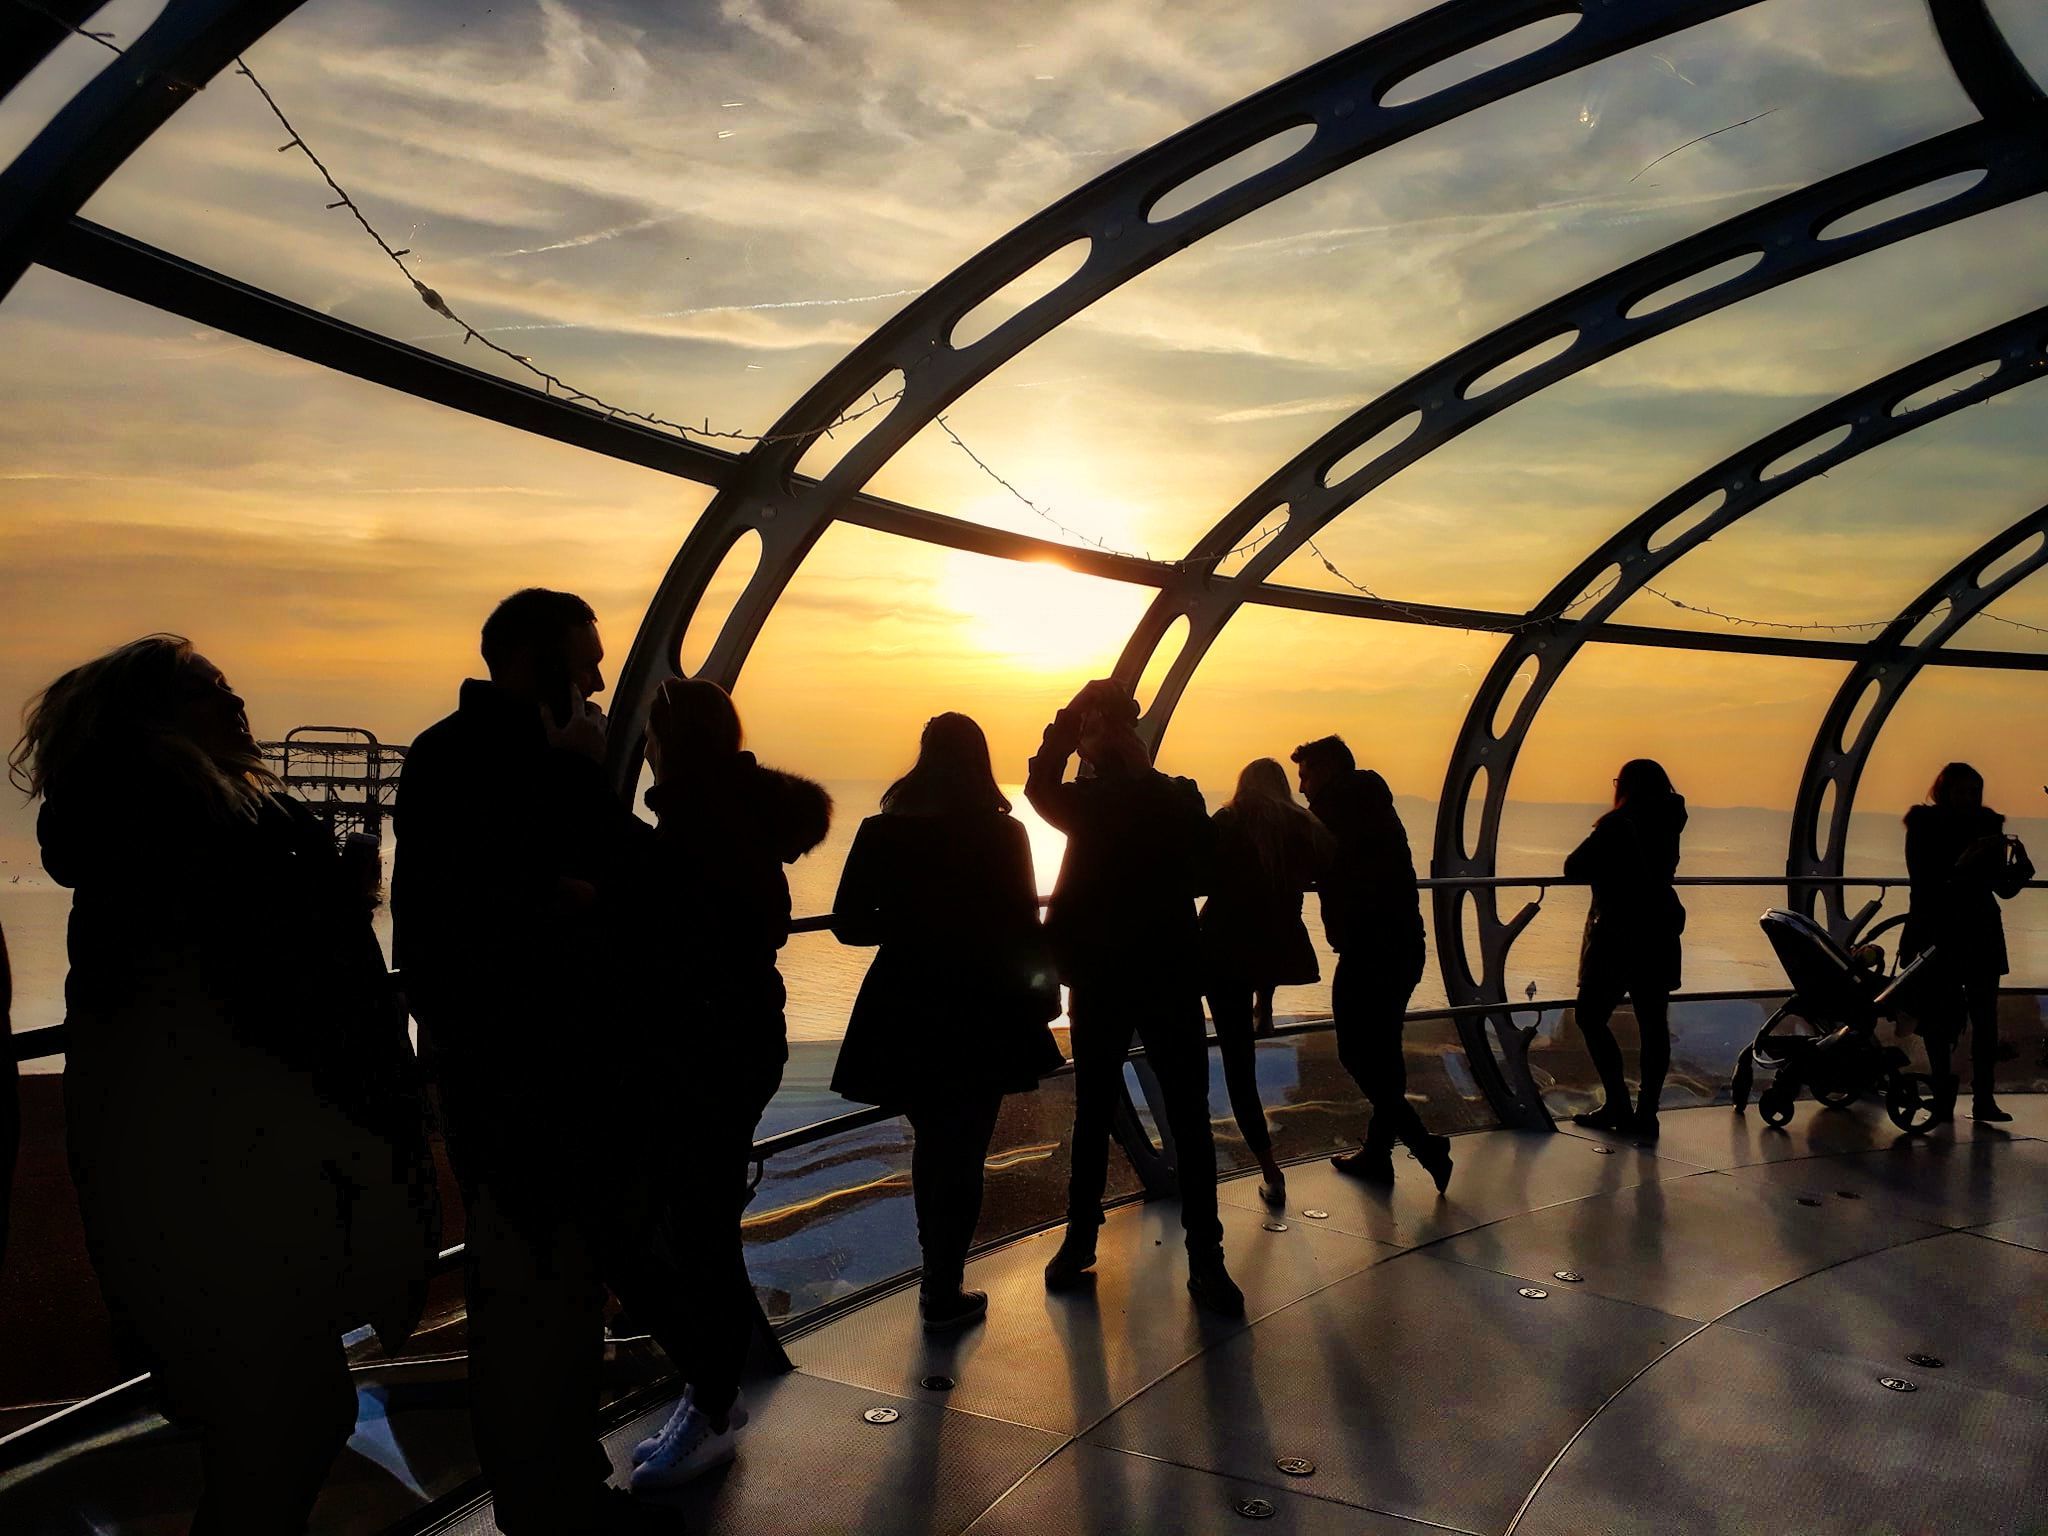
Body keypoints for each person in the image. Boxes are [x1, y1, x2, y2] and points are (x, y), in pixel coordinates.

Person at [11, 635, 438, 1535]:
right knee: (290, 1422)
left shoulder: (151, 837)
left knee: (264, 1425)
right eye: (213, 693)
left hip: (203, 1187)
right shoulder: (197, 836)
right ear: (154, 720)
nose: (238, 704)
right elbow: (268, 995)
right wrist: (336, 903)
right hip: (244, 1188)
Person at [394, 590, 685, 1535]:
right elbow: (489, 916)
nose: (601, 678)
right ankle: (547, 1499)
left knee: (551, 1295)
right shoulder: (503, 765)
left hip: (525, 1075)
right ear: (531, 660)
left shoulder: (462, 759)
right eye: (584, 658)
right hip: (528, 1080)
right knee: (534, 1298)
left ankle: (558, 1488)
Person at [625, 677, 831, 1488]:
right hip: (743, 1040)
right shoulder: (743, 823)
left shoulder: (691, 832)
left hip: (696, 1050)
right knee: (696, 1225)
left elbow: (669, 939)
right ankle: (708, 1396)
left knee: (681, 1232)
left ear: (666, 744)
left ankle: (710, 1402)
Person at [829, 713, 1063, 1331]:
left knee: (931, 1143)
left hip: (906, 1006)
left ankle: (936, 1279)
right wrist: (1042, 995)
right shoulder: (1004, 834)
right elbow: (1021, 925)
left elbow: (849, 923)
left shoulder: (881, 831)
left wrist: (908, 924)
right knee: (963, 1150)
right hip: (985, 1008)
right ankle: (942, 1284)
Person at [1027, 679, 1243, 1316]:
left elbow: (1038, 784)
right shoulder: (1177, 797)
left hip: (1099, 978)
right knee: (1189, 1118)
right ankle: (1207, 1260)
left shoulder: (1087, 806)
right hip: (1172, 973)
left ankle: (1079, 1242)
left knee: (1093, 1111)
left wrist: (1066, 722)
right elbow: (1207, 871)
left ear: (1094, 743)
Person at [1292, 736, 1452, 1191]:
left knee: (1355, 1052)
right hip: (1400, 944)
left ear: (1325, 770)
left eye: (1305, 776)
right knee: (1383, 1054)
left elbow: (1301, 859)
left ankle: (1423, 1145)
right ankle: (1379, 1154)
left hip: (1370, 950)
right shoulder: (1369, 803)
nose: (1302, 788)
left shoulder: (1337, 806)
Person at [1202, 758, 1328, 1208]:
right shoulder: (1300, 829)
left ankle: (1260, 1169)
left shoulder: (1228, 821)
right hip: (1268, 956)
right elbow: (1279, 917)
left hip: (1219, 953)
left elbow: (1201, 874)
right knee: (1244, 1063)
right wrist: (1266, 1004)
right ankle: (1269, 1171)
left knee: (1232, 1065)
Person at [1562, 758, 1688, 1141]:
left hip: (1617, 936)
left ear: (1626, 787)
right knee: (1653, 1023)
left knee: (1590, 1016)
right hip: (1658, 933)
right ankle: (1646, 1113)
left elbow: (1573, 867)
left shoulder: (1619, 824)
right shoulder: (1670, 822)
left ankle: (1618, 1101)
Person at [1903, 763, 2020, 1123]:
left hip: (1952, 930)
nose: (1971, 799)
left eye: (1974, 792)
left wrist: (2016, 869)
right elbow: (1926, 881)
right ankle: (1972, 1098)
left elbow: (2001, 886)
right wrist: (1965, 865)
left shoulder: (1931, 826)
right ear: (1947, 791)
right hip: (1955, 930)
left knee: (1973, 1019)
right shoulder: (1935, 827)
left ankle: (1956, 1098)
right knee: (1950, 1018)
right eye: (1965, 791)